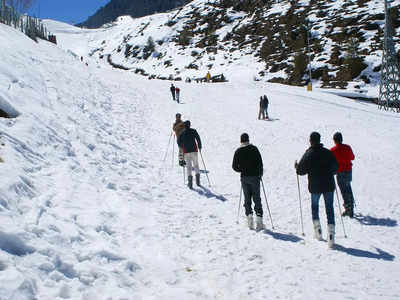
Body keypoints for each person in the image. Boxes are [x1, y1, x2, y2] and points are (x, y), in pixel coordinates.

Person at [295, 132, 338, 248]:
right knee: (329, 208)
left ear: (310, 141)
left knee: (315, 206)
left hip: (315, 186)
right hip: (328, 185)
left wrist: (297, 166)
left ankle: (317, 231)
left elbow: (300, 171)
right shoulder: (327, 153)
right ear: (319, 140)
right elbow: (336, 168)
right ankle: (331, 236)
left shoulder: (309, 154)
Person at [232, 133, 265, 231]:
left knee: (247, 198)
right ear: (248, 140)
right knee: (257, 198)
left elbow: (234, 166)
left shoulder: (238, 151)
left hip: (244, 178)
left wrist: (241, 170)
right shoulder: (254, 149)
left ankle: (249, 220)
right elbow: (260, 162)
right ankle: (259, 222)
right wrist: (260, 174)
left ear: (241, 141)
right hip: (255, 177)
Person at [330, 132, 355, 218]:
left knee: (344, 191)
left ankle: (348, 208)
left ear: (334, 140)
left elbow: (331, 162)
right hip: (348, 171)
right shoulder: (347, 147)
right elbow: (352, 157)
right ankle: (351, 205)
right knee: (348, 188)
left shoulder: (333, 150)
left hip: (340, 172)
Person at [178, 120, 202, 189]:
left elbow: (178, 141)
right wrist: (199, 146)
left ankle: (190, 183)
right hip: (194, 150)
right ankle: (198, 182)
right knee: (196, 165)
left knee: (189, 167)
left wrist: (182, 146)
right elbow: (198, 138)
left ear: (185, 126)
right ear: (190, 125)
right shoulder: (193, 131)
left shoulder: (182, 133)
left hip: (186, 152)